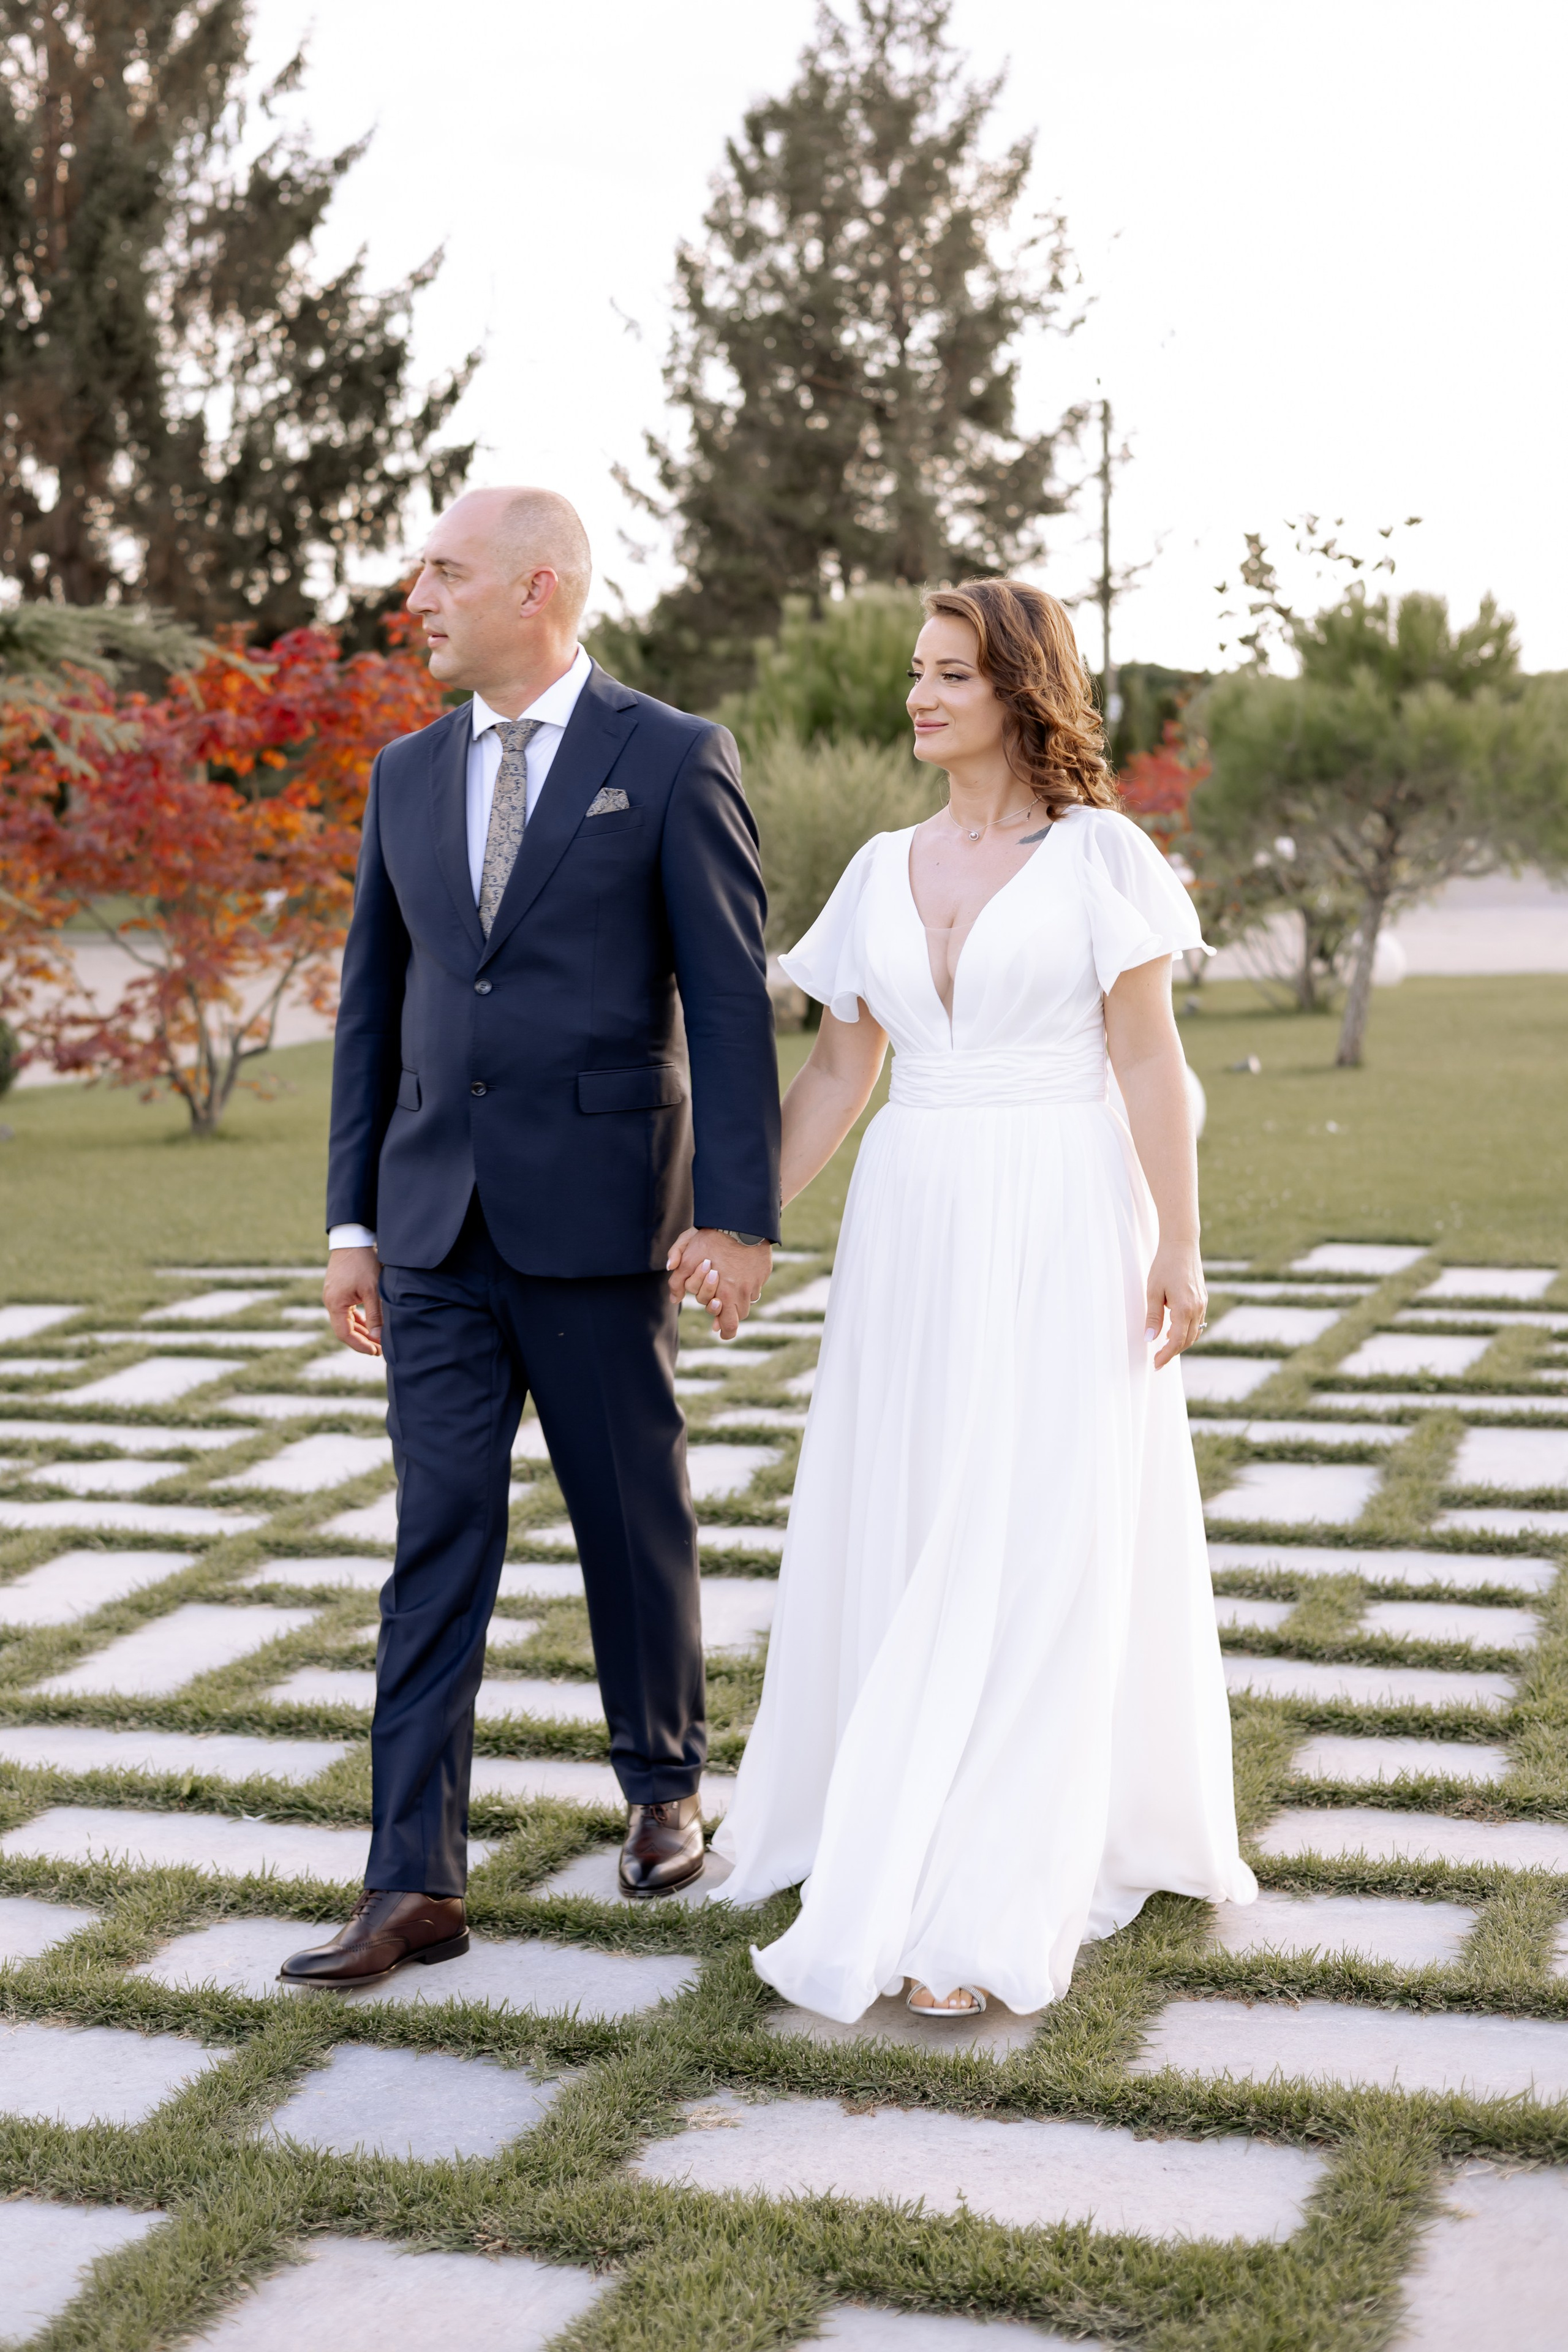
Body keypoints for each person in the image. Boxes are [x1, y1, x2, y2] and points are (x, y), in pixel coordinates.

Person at [681, 579, 1256, 2024]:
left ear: (1018, 690)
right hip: (915, 1219)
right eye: (915, 674)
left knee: (1036, 1521)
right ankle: (888, 1805)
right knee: (918, 1499)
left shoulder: (1099, 858)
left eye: (949, 673)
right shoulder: (881, 867)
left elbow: (1143, 1064)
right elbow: (834, 1073)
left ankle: (996, 1874)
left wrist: (1178, 1246)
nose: (918, 696)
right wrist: (738, 1223)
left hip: (1064, 1206)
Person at [281, 487, 780, 1990]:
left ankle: (661, 1787)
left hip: (598, 1218)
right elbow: (375, 1003)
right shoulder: (406, 773)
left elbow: (734, 1001)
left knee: (631, 1522)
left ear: (538, 588)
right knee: (436, 1543)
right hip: (432, 1230)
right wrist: (353, 1218)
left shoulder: (672, 756)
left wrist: (738, 1213)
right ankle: (408, 1886)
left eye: (443, 571)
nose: (414, 596)